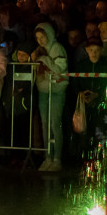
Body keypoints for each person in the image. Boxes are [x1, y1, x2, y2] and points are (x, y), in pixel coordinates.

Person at [32, 22, 68, 171]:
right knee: (45, 125)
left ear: (50, 34)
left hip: (57, 91)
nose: (40, 40)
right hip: (43, 91)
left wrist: (44, 60)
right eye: (38, 37)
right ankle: (48, 157)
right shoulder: (39, 51)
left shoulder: (57, 48)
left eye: (43, 36)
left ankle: (57, 159)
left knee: (55, 125)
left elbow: (60, 68)